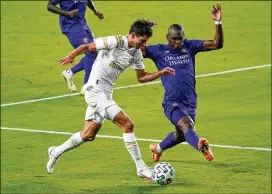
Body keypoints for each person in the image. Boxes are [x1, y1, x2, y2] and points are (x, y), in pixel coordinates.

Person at [46, 19, 175, 179]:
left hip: (106, 94)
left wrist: (160, 73)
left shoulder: (136, 53)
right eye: (142, 41)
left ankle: (55, 151)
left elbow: (141, 77)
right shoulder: (116, 41)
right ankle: (141, 167)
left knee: (88, 135)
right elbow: (88, 47)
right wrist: (72, 56)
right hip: (95, 91)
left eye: (145, 42)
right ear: (133, 35)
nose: (143, 45)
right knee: (128, 125)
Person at [141, 3, 224, 162]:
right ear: (167, 38)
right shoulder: (158, 51)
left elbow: (217, 44)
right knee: (187, 125)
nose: (178, 42)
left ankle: (157, 149)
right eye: (174, 39)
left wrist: (218, 22)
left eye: (180, 39)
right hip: (172, 102)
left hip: (191, 101)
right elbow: (135, 46)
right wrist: (143, 28)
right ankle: (202, 146)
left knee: (181, 135)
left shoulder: (190, 46)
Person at [47, 0, 104, 93]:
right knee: (91, 51)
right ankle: (87, 87)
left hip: (82, 22)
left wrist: (95, 11)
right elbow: (49, 6)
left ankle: (69, 73)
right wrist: (66, 13)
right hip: (70, 25)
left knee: (95, 50)